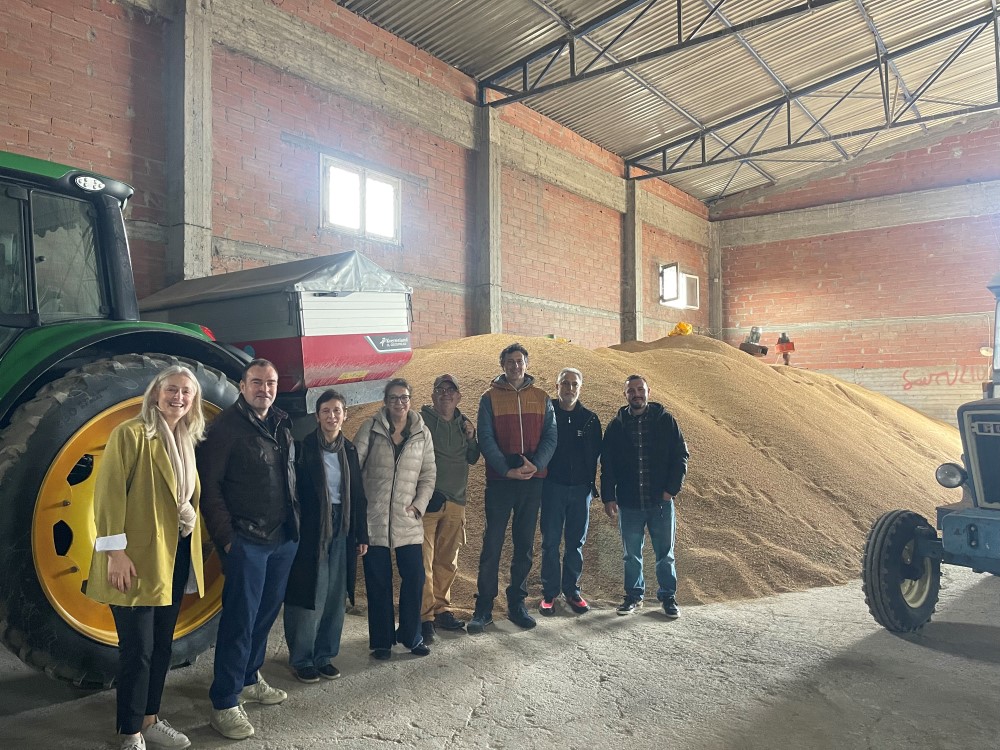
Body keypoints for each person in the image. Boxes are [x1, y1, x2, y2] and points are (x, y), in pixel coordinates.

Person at [87, 365, 207, 750]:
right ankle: (129, 732)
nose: (178, 397)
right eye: (172, 389)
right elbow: (108, 495)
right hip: (136, 557)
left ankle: (150, 719)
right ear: (156, 393)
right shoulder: (131, 434)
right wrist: (115, 553)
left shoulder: (186, 439)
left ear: (194, 400)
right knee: (137, 650)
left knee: (162, 646)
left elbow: (185, 501)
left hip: (175, 552)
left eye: (186, 392)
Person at [198, 358, 299, 740]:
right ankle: (224, 701)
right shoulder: (225, 428)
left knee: (265, 616)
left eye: (270, 383)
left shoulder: (281, 422)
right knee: (240, 621)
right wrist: (228, 539)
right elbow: (210, 488)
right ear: (242, 386)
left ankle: (249, 678)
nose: (264, 389)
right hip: (247, 542)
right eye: (257, 382)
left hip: (282, 539)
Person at [468, 342, 557, 634]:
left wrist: (536, 465)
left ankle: (517, 604)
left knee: (524, 545)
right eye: (510, 361)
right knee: (492, 543)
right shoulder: (489, 398)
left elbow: (551, 436)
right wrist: (506, 470)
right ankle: (483, 606)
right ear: (503, 365)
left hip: (532, 482)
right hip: (500, 483)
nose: (515, 366)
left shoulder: (542, 398)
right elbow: (485, 437)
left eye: (520, 361)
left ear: (526, 364)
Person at [283, 389, 369, 683]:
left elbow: (358, 495)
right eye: (326, 411)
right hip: (312, 529)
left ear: (345, 415)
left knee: (334, 594)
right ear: (317, 416)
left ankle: (324, 655)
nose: (332, 416)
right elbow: (293, 493)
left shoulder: (350, 450)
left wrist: (361, 534)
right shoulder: (303, 449)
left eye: (337, 411)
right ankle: (302, 658)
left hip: (342, 527)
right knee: (311, 593)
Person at [355, 378, 436, 660]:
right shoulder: (370, 428)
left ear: (410, 400)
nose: (398, 403)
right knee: (378, 581)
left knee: (414, 577)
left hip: (407, 519)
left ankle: (412, 636)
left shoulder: (422, 433)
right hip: (374, 519)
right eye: (393, 398)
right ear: (385, 401)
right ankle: (381, 641)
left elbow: (428, 475)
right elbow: (354, 468)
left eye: (403, 397)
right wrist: (361, 509)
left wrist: (419, 506)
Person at [600, 374, 689, 619]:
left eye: (640, 389)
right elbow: (607, 464)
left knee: (665, 554)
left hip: (660, 502)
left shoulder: (665, 421)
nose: (636, 394)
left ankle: (668, 597)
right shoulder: (616, 426)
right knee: (631, 555)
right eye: (631, 391)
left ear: (649, 392)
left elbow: (681, 455)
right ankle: (633, 596)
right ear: (625, 395)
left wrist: (671, 490)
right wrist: (608, 497)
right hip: (629, 503)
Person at [418, 374, 481, 643]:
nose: (445, 393)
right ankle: (425, 617)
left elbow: (473, 457)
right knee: (424, 561)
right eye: (440, 389)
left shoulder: (464, 424)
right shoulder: (420, 421)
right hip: (427, 502)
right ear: (433, 395)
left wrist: (472, 437)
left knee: (446, 560)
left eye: (451, 390)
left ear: (458, 397)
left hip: (456, 502)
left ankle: (442, 608)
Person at [538, 368, 602, 617]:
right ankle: (549, 594)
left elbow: (598, 455)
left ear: (580, 388)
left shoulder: (590, 420)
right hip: (552, 488)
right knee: (550, 542)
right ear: (557, 386)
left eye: (574, 384)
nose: (569, 388)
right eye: (565, 383)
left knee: (576, 543)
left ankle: (572, 591)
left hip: (580, 491)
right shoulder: (546, 415)